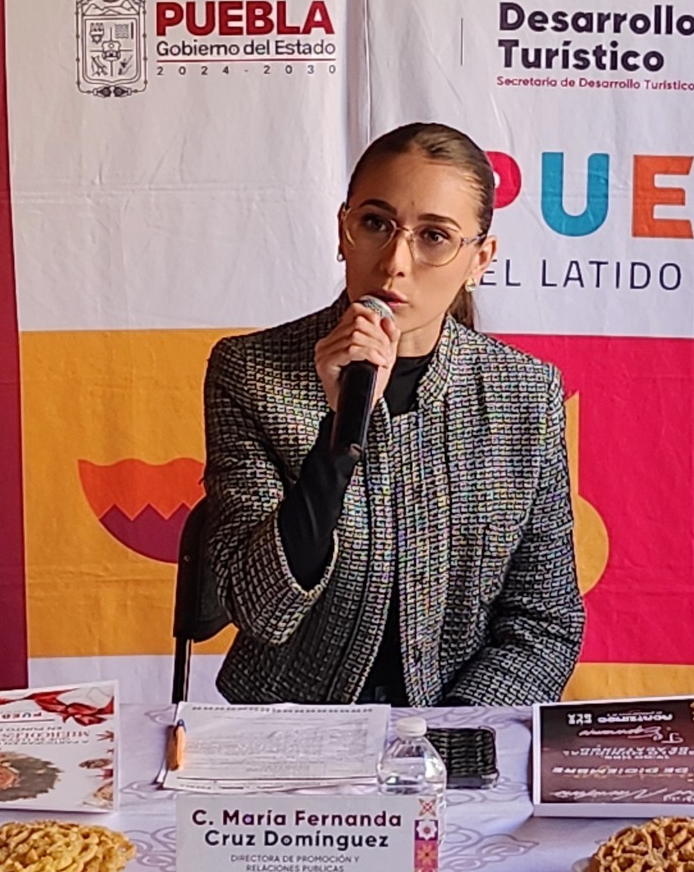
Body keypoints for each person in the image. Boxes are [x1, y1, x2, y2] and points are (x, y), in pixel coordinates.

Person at [203, 123, 583, 706]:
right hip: (293, 726)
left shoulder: (525, 393)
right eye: (376, 224)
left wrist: (449, 735)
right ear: (343, 230)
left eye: (434, 236)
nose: (396, 262)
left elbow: (545, 622)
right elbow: (260, 610)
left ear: (479, 259)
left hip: (461, 727)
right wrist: (337, 439)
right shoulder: (251, 371)